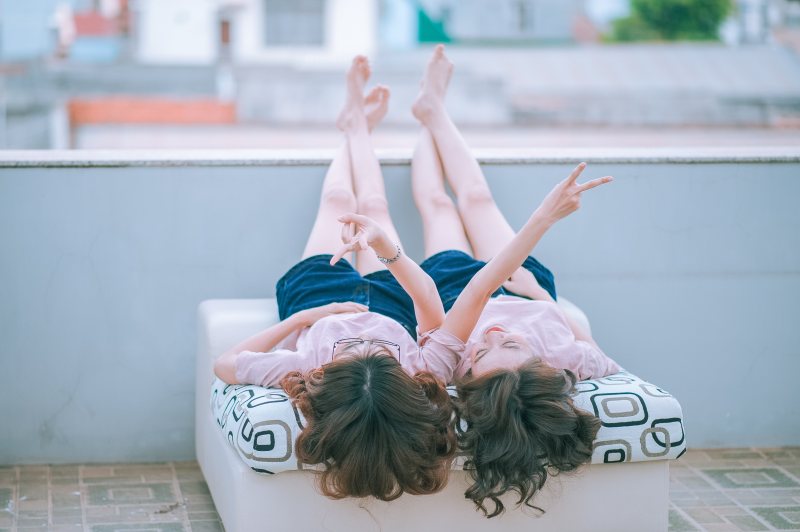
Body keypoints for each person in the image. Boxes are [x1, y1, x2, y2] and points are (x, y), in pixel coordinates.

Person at [213, 56, 460, 501]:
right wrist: (386, 253)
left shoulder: (307, 370)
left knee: (338, 199)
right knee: (375, 209)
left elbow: (225, 365)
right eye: (377, 353)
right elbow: (433, 312)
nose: (362, 342)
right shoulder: (417, 372)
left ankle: (352, 125)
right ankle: (358, 127)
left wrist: (305, 318)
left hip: (319, 299)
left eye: (353, 353)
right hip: (391, 305)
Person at [405, 44, 622, 517]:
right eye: (511, 347)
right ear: (542, 366)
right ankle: (434, 109)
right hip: (525, 283)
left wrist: (544, 219)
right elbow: (596, 351)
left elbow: (475, 300)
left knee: (440, 206)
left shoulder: (455, 371)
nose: (494, 336)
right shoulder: (563, 362)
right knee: (478, 198)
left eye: (481, 353)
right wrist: (543, 296)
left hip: (456, 293)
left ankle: (425, 119)